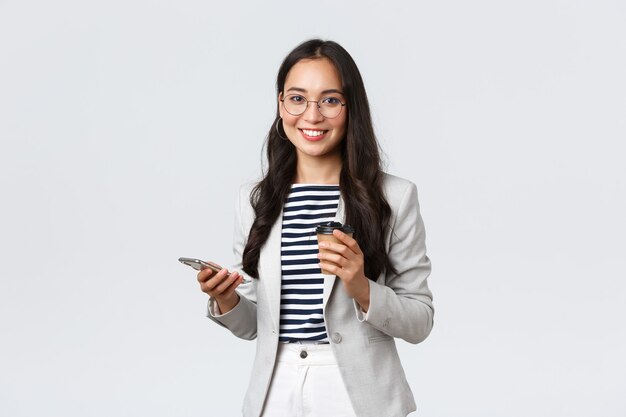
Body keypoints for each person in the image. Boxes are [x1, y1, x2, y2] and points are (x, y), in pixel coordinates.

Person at [196, 39, 434, 417]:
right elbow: (256, 325)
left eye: (330, 100)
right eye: (297, 98)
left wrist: (361, 288)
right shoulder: (254, 199)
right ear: (280, 105)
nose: (311, 115)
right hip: (276, 389)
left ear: (350, 108)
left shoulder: (394, 196)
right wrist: (226, 299)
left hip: (358, 392)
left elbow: (420, 321)